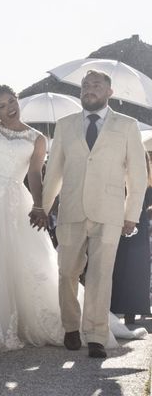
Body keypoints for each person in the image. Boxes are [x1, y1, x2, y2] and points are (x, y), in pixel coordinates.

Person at [0, 37, 145, 353]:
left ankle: (89, 333)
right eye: (1, 105)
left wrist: (40, 206)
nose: (9, 107)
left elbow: (37, 175)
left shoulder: (38, 138)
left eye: (11, 100)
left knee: (74, 273)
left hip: (27, 203)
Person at [40, 69, 148, 358]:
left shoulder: (127, 126)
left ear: (109, 92)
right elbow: (54, 173)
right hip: (71, 209)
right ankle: (71, 327)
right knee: (67, 273)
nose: (89, 89)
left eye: (96, 85)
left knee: (101, 275)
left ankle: (97, 335)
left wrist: (131, 214)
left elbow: (137, 174)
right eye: (85, 85)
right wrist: (43, 207)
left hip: (109, 211)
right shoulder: (64, 125)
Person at [110, 152, 152, 324]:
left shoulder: (146, 184)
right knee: (124, 268)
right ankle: (126, 311)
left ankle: (127, 311)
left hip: (136, 227)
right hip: (124, 225)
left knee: (131, 269)